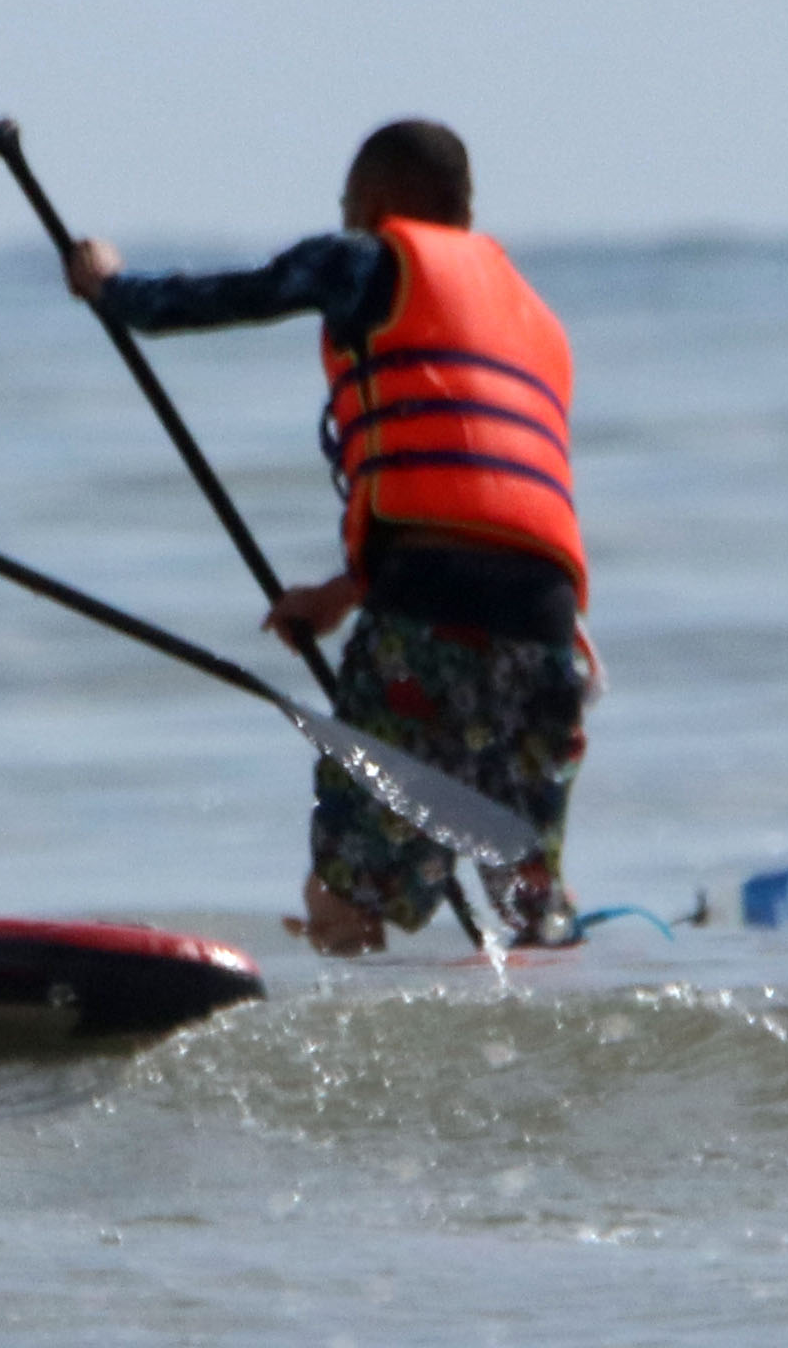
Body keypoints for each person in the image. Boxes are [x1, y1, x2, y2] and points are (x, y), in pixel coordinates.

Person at [56, 118, 587, 951]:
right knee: (529, 898)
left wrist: (111, 286)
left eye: (348, 206)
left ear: (373, 204)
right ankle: (559, 1052)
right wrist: (341, 597)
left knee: (344, 896)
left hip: (429, 618)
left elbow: (221, 298)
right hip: (550, 638)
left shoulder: (369, 260)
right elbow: (484, 506)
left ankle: (384, 1059)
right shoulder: (535, 318)